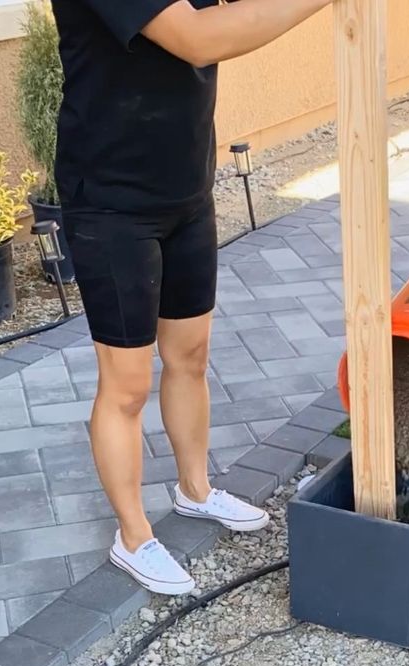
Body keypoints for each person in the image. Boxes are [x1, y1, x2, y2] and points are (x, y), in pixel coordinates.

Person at [51, 0, 332, 595]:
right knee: (126, 384)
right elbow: (198, 37)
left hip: (185, 191)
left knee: (191, 356)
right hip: (111, 202)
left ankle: (195, 489)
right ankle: (132, 536)